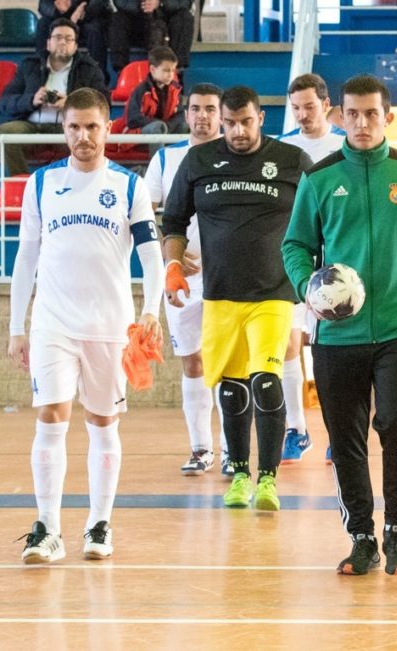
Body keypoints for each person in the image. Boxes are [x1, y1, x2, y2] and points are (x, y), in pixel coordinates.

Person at [282, 74, 397, 577]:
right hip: (336, 333)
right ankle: (362, 536)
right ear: (339, 117)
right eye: (353, 114)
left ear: (388, 117)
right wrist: (308, 287)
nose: (362, 123)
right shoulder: (319, 178)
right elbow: (295, 245)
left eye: (371, 114)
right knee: (346, 438)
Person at [8, 87, 165, 564]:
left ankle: (99, 523)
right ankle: (47, 528)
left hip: (109, 325)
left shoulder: (130, 186)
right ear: (63, 129)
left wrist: (151, 309)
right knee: (50, 417)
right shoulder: (40, 184)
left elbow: (151, 257)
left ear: (108, 128)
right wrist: (17, 326)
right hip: (53, 323)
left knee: (102, 422)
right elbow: (26, 258)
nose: (83, 136)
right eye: (74, 127)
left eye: (92, 126)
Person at [162, 86, 312, 511]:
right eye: (229, 124)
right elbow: (173, 220)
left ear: (261, 117)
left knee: (266, 380)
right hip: (220, 295)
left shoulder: (291, 160)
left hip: (273, 294)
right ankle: (240, 474)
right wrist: (172, 266)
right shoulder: (199, 161)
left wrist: (316, 270)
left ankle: (268, 479)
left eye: (246, 122)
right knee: (231, 388)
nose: (238, 132)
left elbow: (324, 214)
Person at [144, 82, 224, 476]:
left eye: (210, 109)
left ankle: (233, 451)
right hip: (181, 277)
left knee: (227, 362)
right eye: (195, 109)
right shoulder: (166, 158)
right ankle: (200, 448)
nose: (202, 116)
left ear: (221, 114)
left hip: (227, 274)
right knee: (192, 362)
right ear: (186, 113)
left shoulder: (235, 155)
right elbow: (145, 215)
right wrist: (170, 254)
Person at [278, 72, 346, 464]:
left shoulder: (345, 144)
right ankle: (296, 429)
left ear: (326, 105)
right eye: (296, 108)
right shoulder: (282, 147)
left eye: (309, 106)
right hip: (296, 260)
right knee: (289, 345)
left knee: (329, 352)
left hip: (338, 262)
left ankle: (338, 432)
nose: (302, 114)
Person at [0, 18, 110, 176]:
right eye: (58, 37)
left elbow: (104, 103)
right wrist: (32, 100)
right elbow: (5, 102)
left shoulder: (89, 69)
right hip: (31, 125)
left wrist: (71, 104)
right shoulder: (29, 65)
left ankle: (76, 181)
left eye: (68, 39)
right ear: (48, 43)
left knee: (83, 138)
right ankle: (21, 181)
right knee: (4, 133)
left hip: (69, 127)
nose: (62, 42)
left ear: (75, 46)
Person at [127, 46, 188, 159]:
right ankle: (158, 165)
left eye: (173, 70)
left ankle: (179, 163)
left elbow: (180, 115)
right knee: (157, 127)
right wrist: (160, 124)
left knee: (185, 126)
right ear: (153, 69)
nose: (170, 75)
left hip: (166, 128)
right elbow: (132, 119)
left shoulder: (175, 90)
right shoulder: (141, 91)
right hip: (140, 133)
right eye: (166, 70)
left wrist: (168, 126)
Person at [110, 0, 193, 75]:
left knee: (184, 17)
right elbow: (120, 2)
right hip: (137, 22)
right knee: (118, 18)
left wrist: (161, 3)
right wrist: (144, 5)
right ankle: (122, 72)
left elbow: (186, 2)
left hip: (168, 23)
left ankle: (176, 72)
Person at [36, 0, 110, 82]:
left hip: (88, 18)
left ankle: (97, 76)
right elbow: (43, 4)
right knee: (43, 23)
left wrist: (79, 8)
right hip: (61, 17)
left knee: (95, 30)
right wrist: (57, 10)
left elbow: (100, 3)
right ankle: (43, 71)